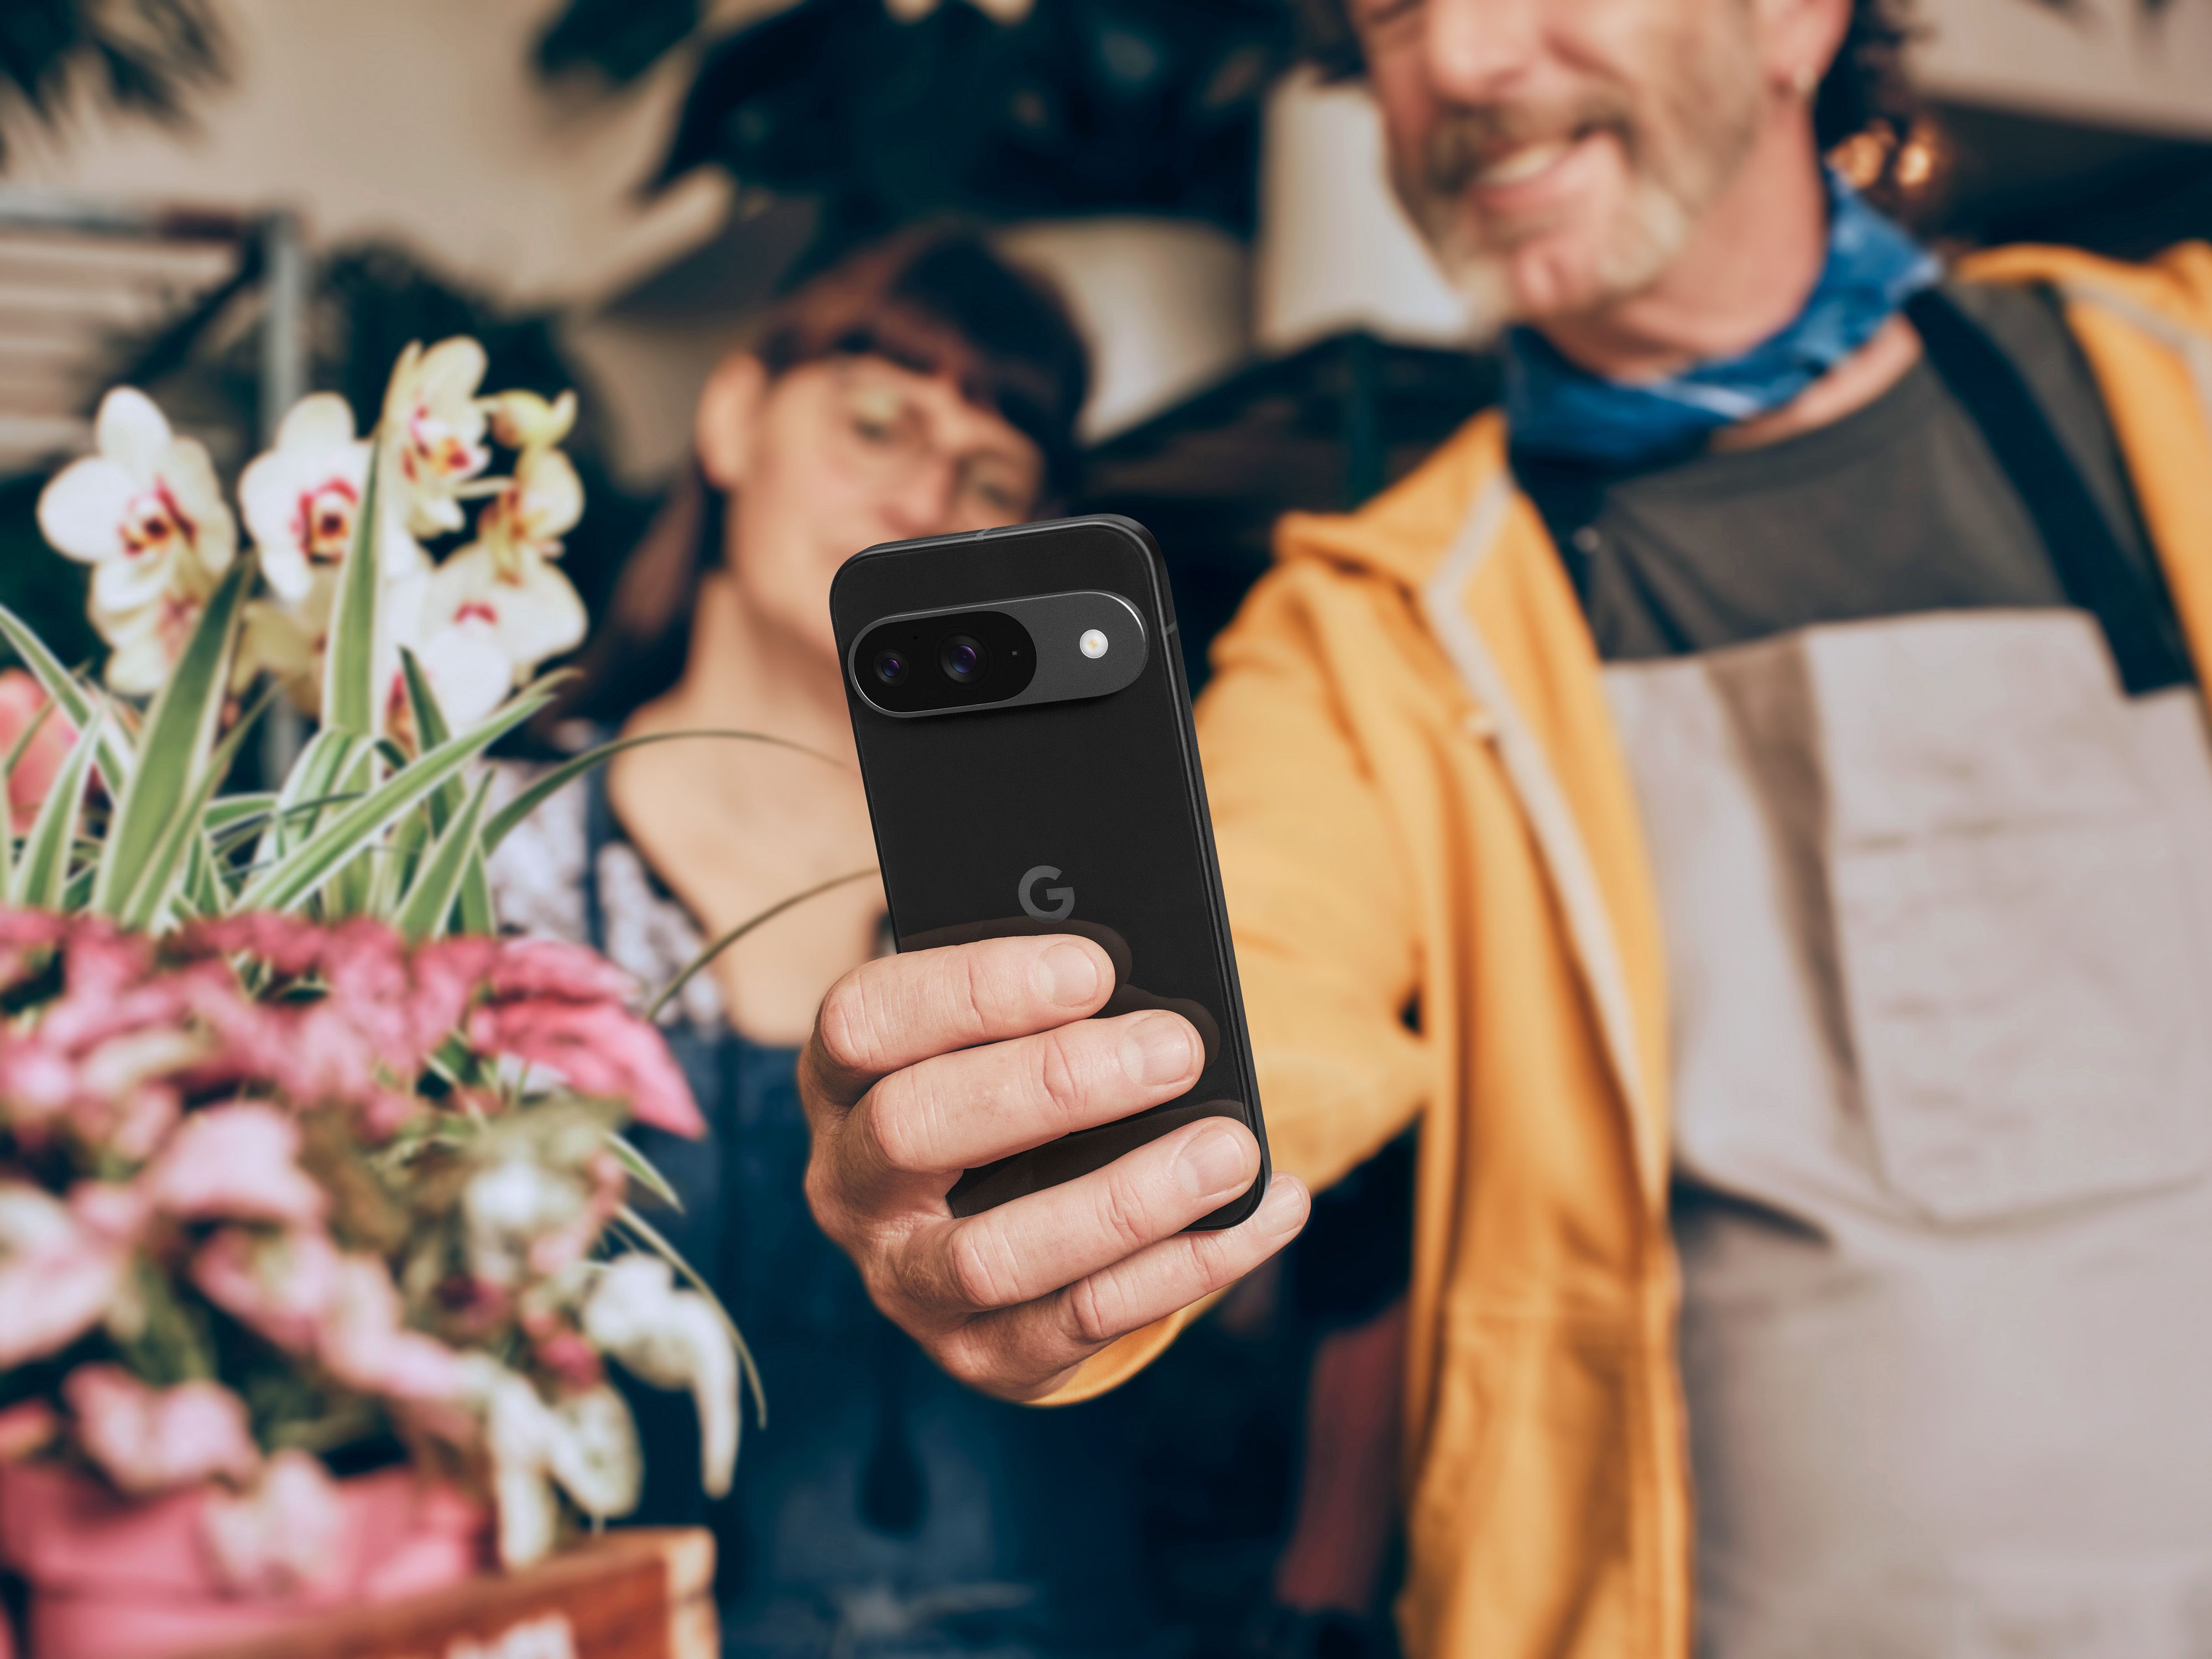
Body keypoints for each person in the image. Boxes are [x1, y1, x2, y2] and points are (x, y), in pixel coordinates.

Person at [794, 0, 2212, 1653]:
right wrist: (1043, 1183)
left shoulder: (2173, 387)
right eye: (1393, 13)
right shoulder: (1376, 624)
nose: (1458, 61)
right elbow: (1252, 966)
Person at [489, 229, 1167, 1658]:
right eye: (878, 422)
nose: (923, 493)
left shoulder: (1066, 885)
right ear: (733, 418)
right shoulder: (498, 851)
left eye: (988, 481)